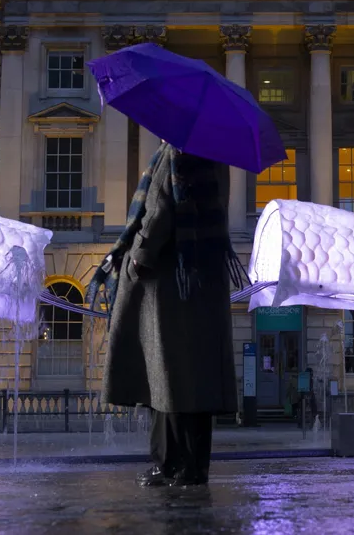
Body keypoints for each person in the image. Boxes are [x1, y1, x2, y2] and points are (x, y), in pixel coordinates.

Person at [98, 144, 242, 488]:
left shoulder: (177, 150)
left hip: (169, 280)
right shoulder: (216, 154)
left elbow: (160, 207)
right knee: (191, 380)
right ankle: (188, 465)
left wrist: (139, 254)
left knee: (167, 376)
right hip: (202, 275)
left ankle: (173, 463)